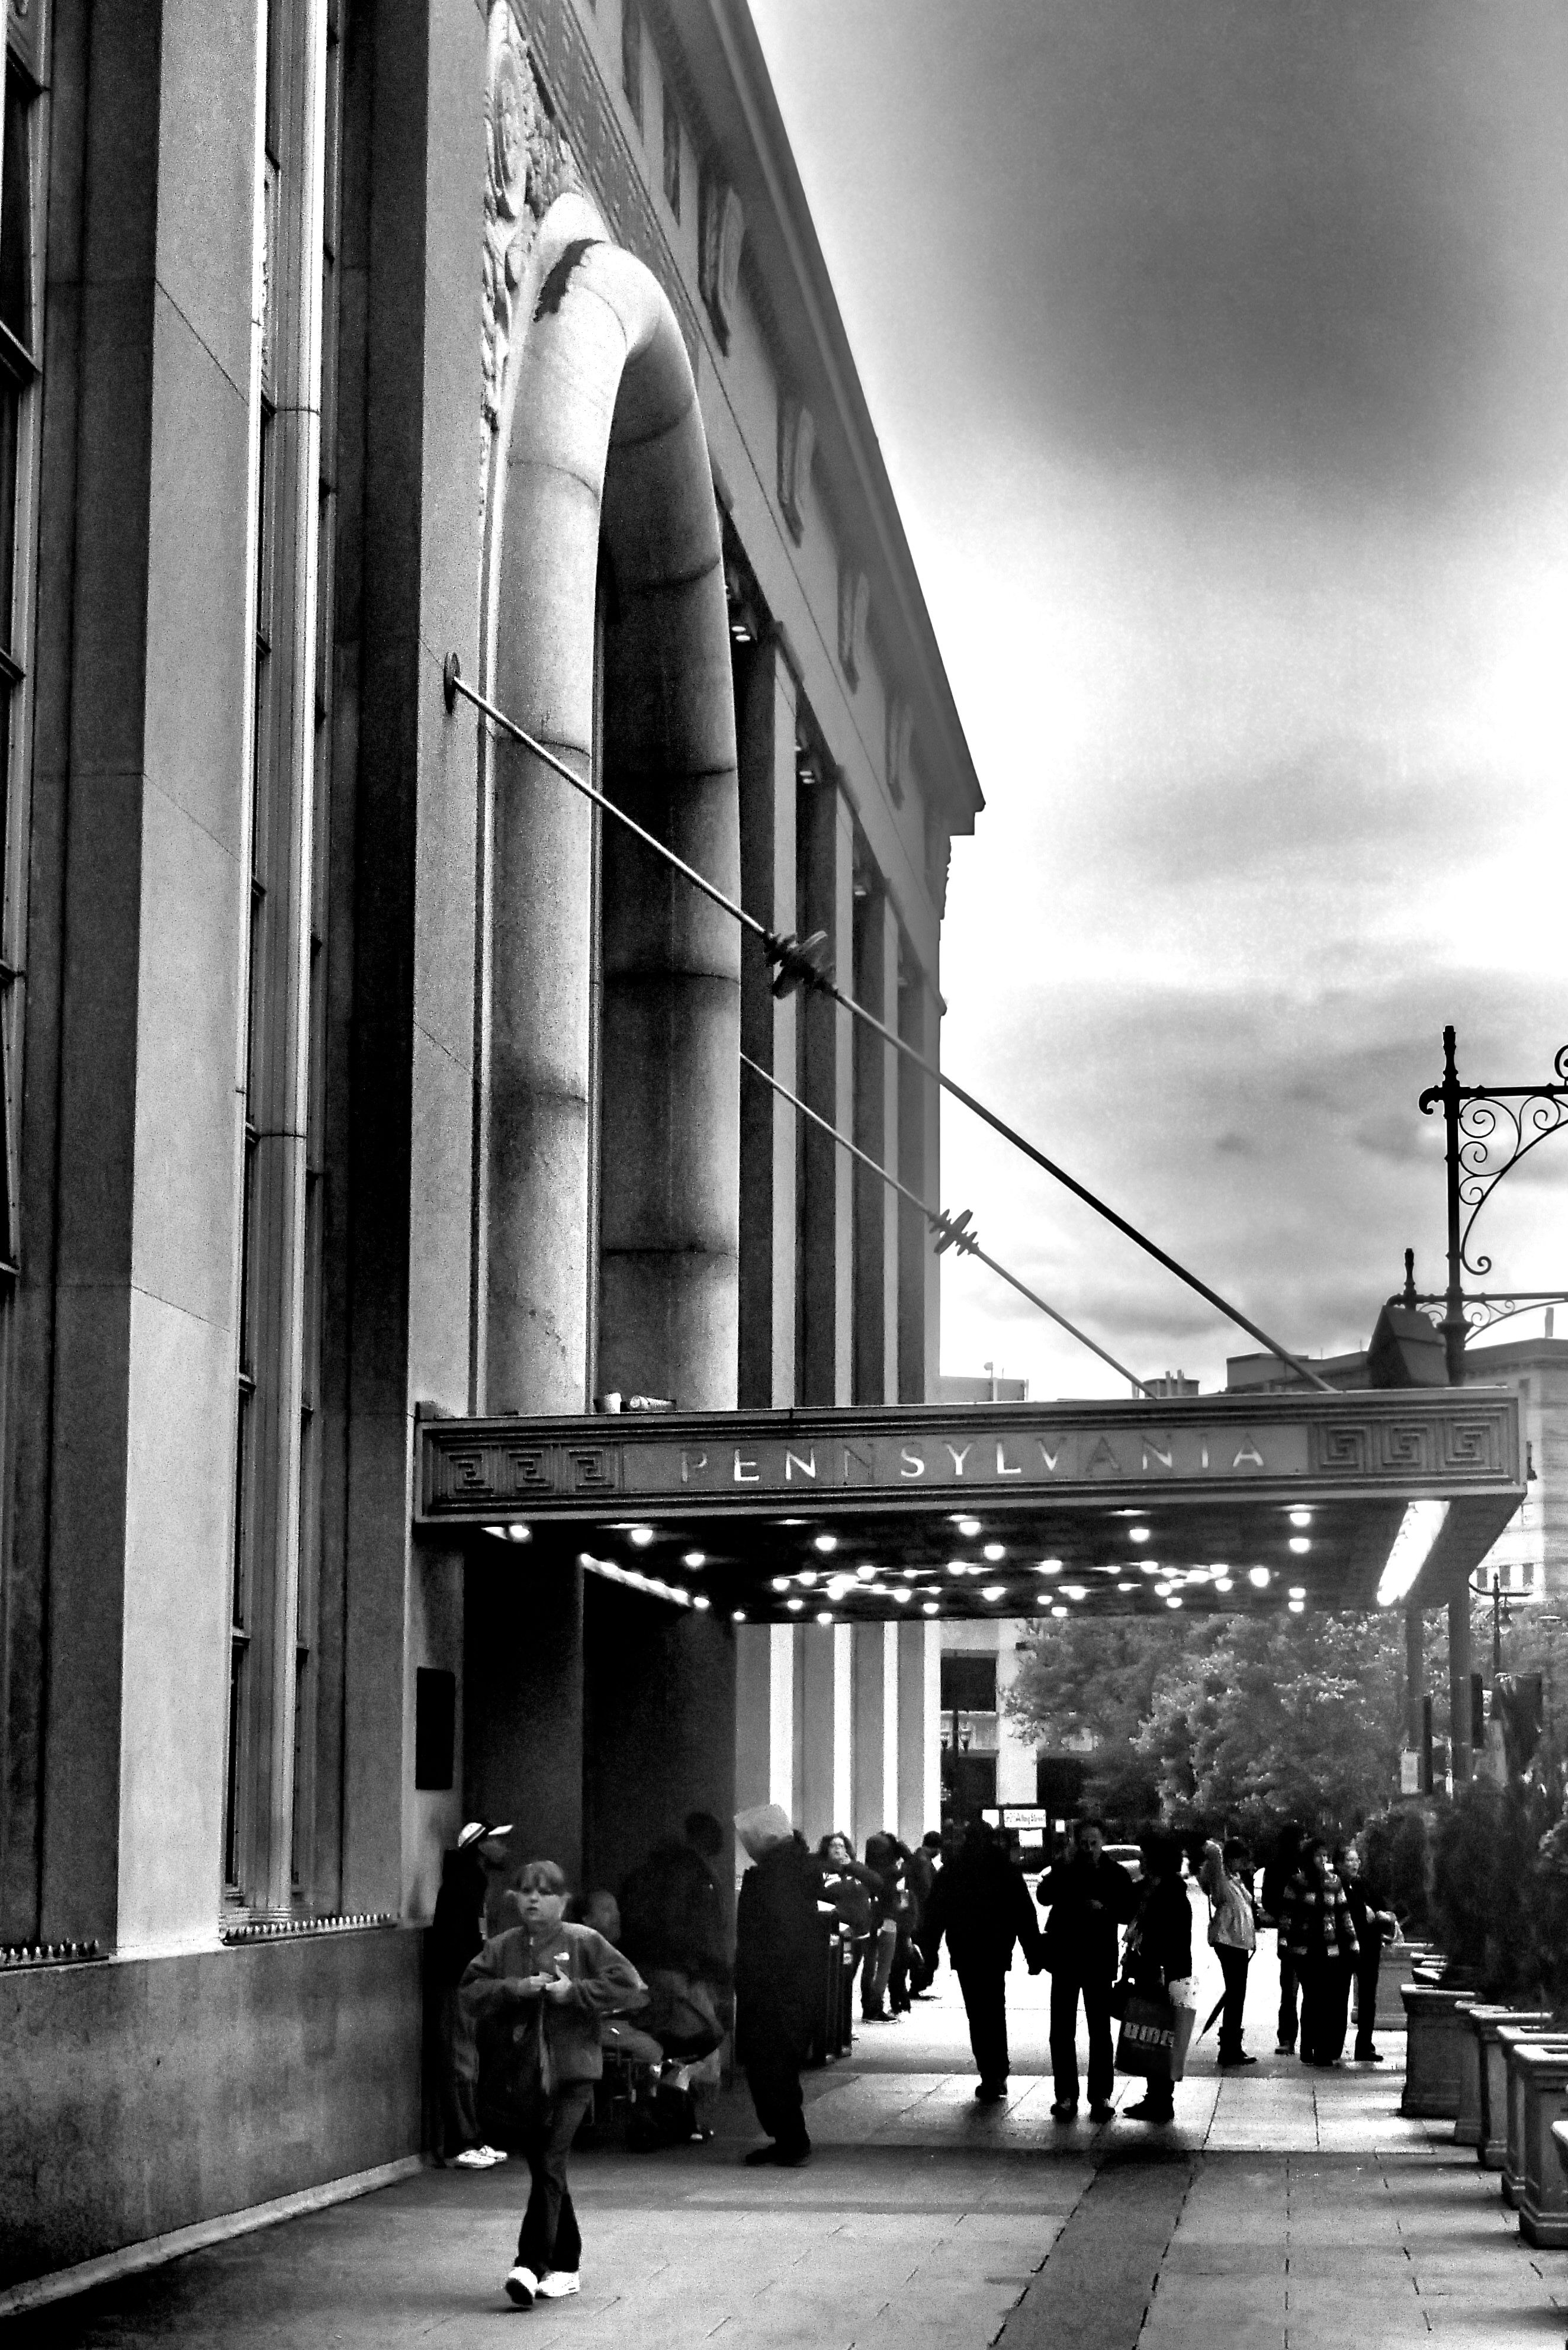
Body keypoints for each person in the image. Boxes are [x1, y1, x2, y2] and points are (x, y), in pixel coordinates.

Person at [461, 1857, 647, 2309]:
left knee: (549, 2160)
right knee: (548, 2168)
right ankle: (567, 2265)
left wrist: (576, 1993)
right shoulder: (503, 1947)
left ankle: (529, 2265)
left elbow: (632, 1987)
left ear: (563, 1901)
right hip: (522, 2078)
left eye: (545, 1892)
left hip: (573, 2074)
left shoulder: (584, 1941)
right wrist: (514, 1988)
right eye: (526, 1891)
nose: (533, 1900)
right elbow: (470, 1991)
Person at [920, 1818, 1045, 2102]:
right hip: (996, 1949)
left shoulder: (953, 1869)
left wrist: (929, 1956)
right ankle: (998, 2071)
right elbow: (1024, 1913)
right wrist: (1033, 1953)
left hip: (965, 1949)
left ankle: (989, 2073)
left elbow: (935, 1915)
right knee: (994, 2009)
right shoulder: (1005, 1869)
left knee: (977, 2013)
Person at [734, 1803, 824, 2166]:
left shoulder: (772, 1878)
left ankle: (790, 2140)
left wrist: (754, 1978)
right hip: (792, 1987)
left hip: (773, 1990)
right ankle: (789, 2138)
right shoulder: (796, 1870)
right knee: (779, 2067)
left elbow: (773, 1936)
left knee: (770, 2067)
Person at [1036, 1818, 1136, 2122]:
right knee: (1061, 2030)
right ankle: (1066, 2095)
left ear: (1102, 1842)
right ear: (1075, 1843)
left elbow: (1128, 1911)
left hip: (1097, 1959)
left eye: (1094, 1843)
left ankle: (1101, 2095)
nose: (1089, 1849)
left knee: (1100, 2030)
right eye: (1083, 1843)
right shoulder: (1065, 1868)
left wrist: (1104, 1909)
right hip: (1065, 1957)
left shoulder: (1115, 1873)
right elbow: (1044, 1896)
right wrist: (1062, 1865)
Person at [427, 1819, 513, 2170]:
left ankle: (473, 2138)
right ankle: (459, 2143)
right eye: (497, 1841)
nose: (504, 1848)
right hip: (457, 1983)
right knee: (459, 2060)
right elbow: (462, 1941)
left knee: (469, 2060)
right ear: (480, 1846)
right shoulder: (462, 1885)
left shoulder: (473, 1882)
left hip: (467, 1982)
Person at [1121, 1829, 1193, 2124]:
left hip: (1163, 1973)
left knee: (1160, 2035)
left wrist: (1149, 1963)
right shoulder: (1159, 1889)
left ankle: (1161, 2100)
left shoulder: (1166, 1894)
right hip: (1168, 1972)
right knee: (1158, 2034)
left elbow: (1163, 1937)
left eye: (1144, 1856)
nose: (1140, 1862)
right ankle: (1158, 2097)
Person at [1280, 1835, 1358, 2066]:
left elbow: (1344, 1915)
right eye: (1318, 1855)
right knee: (1312, 1997)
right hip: (1304, 1950)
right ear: (1309, 1858)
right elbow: (1287, 1916)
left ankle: (1320, 2049)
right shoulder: (1297, 1882)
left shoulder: (1334, 1882)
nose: (1323, 1860)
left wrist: (1353, 1945)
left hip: (1329, 1949)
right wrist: (1283, 1943)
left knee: (1325, 2000)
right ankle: (1309, 2046)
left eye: (1325, 1855)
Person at [1198, 1838, 1258, 2068]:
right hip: (1228, 1940)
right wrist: (1219, 1855)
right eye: (1241, 1859)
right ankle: (1229, 2047)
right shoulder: (1221, 1879)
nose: (1244, 1864)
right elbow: (1219, 1893)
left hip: (1239, 1941)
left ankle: (1232, 2045)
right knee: (1235, 1994)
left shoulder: (1236, 1879)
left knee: (1236, 1994)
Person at [1337, 1843, 1396, 2063]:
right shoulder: (1337, 1886)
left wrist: (1382, 1915)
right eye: (1349, 1860)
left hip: (1369, 1946)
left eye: (1356, 1860)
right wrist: (1365, 1910)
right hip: (1346, 1946)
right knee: (1339, 1996)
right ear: (1340, 1864)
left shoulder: (1363, 1884)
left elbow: (1382, 1907)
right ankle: (1334, 2044)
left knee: (1368, 1997)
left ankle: (1365, 2045)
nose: (1354, 1864)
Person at [1260, 1821, 1304, 2054]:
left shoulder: (1278, 1865)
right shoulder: (1293, 1867)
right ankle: (1295, 2038)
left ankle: (1288, 2038)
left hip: (1291, 1933)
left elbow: (1268, 1901)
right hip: (1296, 1934)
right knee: (1294, 1990)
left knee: (1290, 1991)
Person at [863, 1831, 911, 2018]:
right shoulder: (893, 1872)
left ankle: (867, 2004)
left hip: (870, 1918)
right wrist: (900, 1846)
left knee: (869, 1964)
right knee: (884, 1966)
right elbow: (911, 1861)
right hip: (888, 1919)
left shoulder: (867, 1871)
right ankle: (876, 2006)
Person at [905, 1830, 943, 1997]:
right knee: (928, 1954)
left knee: (919, 1952)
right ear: (935, 1847)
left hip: (915, 1914)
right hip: (923, 1916)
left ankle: (917, 1985)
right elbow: (928, 1891)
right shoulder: (924, 1863)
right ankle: (918, 1985)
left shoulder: (917, 1859)